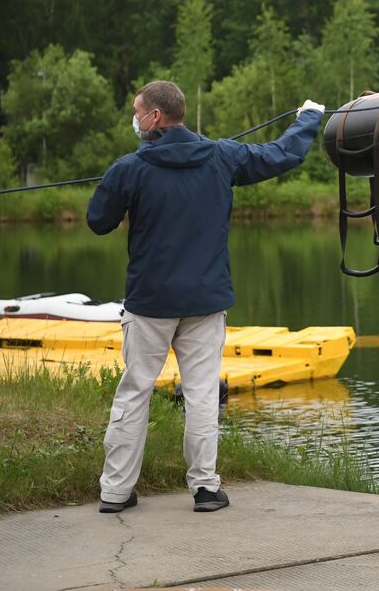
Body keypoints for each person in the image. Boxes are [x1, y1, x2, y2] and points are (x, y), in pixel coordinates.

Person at [86, 79, 325, 514]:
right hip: (204, 302)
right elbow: (281, 154)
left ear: (155, 116)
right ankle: (205, 490)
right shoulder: (221, 156)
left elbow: (98, 221)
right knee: (200, 394)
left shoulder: (130, 167)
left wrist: (115, 184)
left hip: (150, 304)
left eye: (138, 111)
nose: (135, 119)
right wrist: (309, 117)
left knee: (135, 392)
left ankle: (116, 492)